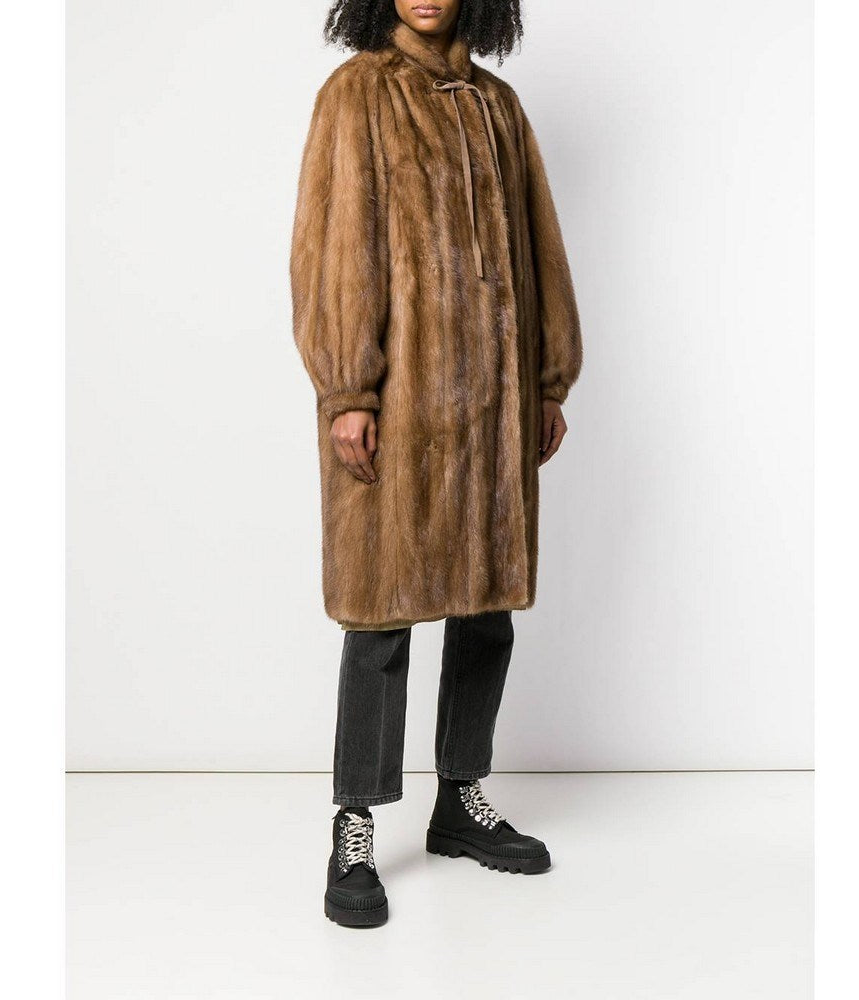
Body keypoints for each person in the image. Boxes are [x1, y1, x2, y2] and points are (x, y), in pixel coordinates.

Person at [291, 0, 582, 928]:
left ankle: (461, 799)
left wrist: (547, 381)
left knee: (486, 611)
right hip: (401, 404)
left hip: (495, 408)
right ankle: (355, 823)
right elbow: (335, 248)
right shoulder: (357, 95)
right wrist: (348, 390)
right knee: (379, 616)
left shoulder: (498, 106)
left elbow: (540, 246)